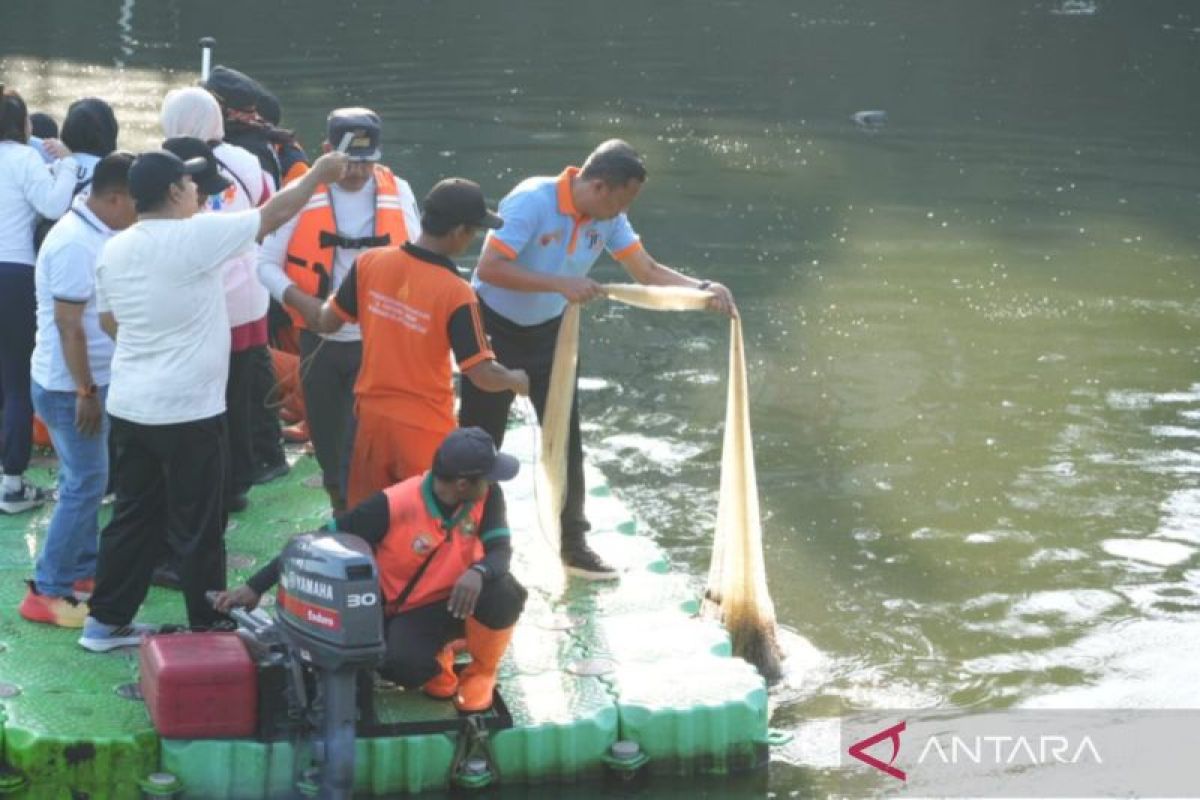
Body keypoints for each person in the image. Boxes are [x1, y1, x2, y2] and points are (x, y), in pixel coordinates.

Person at [78, 146, 349, 652]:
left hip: (132, 406)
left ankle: (105, 624)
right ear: (174, 192)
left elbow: (111, 322)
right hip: (188, 411)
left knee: (133, 517)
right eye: (190, 185)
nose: (197, 193)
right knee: (200, 522)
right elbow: (274, 213)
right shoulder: (195, 235)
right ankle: (208, 624)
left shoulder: (114, 247)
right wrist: (318, 173)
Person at [460, 140, 736, 580]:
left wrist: (701, 288)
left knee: (566, 439)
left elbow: (646, 270)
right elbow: (489, 268)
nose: (624, 211)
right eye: (622, 200)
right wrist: (559, 283)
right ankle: (464, 537)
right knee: (479, 441)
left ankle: (574, 545)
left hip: (551, 334)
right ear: (600, 186)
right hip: (493, 328)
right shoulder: (532, 200)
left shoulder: (610, 218)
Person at [216, 427, 528, 713]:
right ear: (462, 484)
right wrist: (256, 586)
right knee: (402, 665)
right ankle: (441, 654)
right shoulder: (393, 504)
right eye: (487, 476)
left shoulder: (488, 495)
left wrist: (479, 572)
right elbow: (316, 543)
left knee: (505, 592)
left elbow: (500, 551)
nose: (492, 482)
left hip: (464, 594)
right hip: (412, 610)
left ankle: (482, 672)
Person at [305, 178, 529, 508]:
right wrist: (515, 379)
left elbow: (327, 321)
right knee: (426, 520)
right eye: (474, 231)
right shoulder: (457, 293)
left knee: (363, 517)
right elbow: (481, 374)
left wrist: (292, 294)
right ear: (458, 232)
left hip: (370, 422)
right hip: (424, 431)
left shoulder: (369, 263)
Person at [258, 108, 420, 511]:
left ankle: (378, 520)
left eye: (367, 162)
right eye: (349, 161)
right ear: (327, 149)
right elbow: (264, 264)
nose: (358, 172)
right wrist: (304, 304)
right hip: (320, 343)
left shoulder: (398, 190)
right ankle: (341, 511)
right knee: (331, 448)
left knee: (374, 446)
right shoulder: (300, 193)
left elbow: (419, 261)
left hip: (379, 342)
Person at [19, 152, 137, 628]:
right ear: (116, 198)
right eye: (138, 203)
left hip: (83, 382)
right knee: (84, 483)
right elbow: (69, 326)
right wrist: (85, 392)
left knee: (87, 479)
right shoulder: (73, 243)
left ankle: (83, 569)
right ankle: (48, 588)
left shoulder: (95, 231)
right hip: (70, 388)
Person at [162, 87, 288, 503]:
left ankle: (214, 483)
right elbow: (269, 210)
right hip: (248, 290)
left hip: (204, 296)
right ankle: (247, 473)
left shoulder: (166, 167)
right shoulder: (246, 161)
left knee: (208, 396)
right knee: (242, 387)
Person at [0, 86, 77, 514]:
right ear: (20, 123)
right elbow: (53, 204)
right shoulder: (23, 158)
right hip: (13, 273)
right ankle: (11, 484)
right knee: (16, 381)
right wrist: (67, 164)